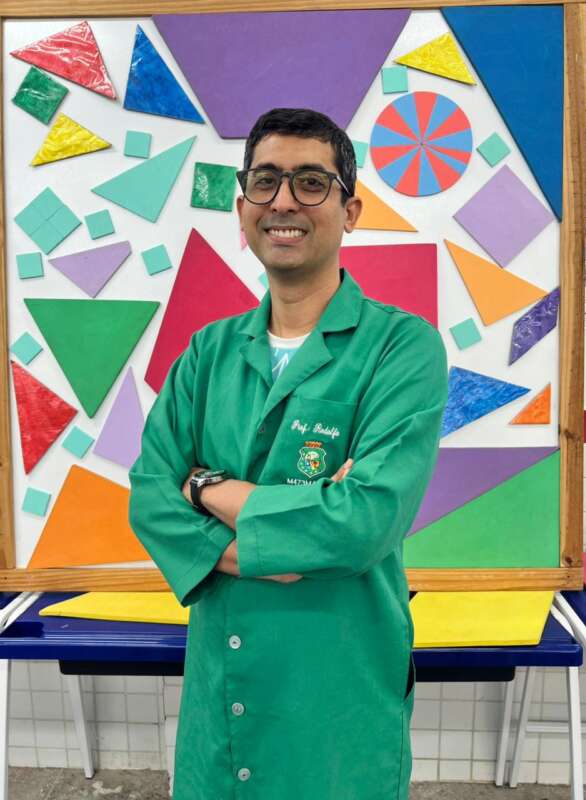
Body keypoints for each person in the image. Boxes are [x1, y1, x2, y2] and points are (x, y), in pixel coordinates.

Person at [129, 107, 448, 800]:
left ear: (350, 210)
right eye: (265, 181)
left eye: (310, 182)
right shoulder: (208, 352)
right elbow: (150, 493)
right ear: (242, 206)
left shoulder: (402, 349)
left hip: (336, 690)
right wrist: (283, 536)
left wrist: (206, 488)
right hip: (223, 690)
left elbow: (360, 522)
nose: (282, 202)